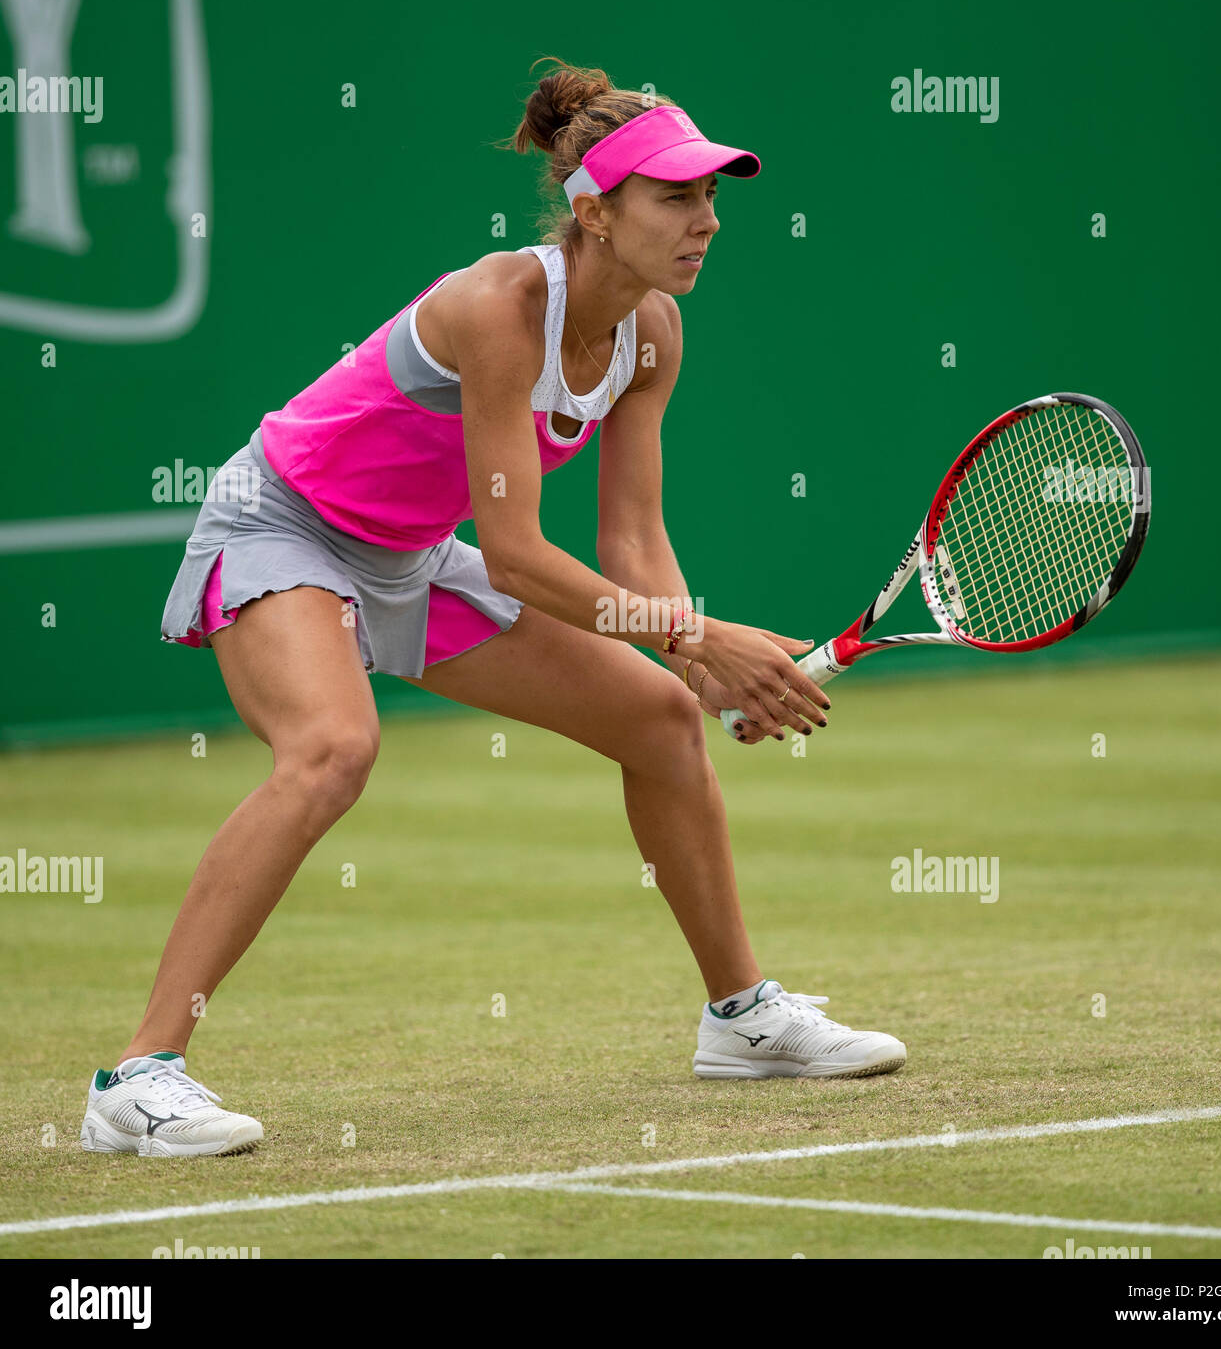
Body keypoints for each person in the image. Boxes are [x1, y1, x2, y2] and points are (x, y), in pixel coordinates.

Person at [80, 59, 906, 1159]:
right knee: (331, 749)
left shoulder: (651, 330)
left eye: (713, 196)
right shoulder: (499, 307)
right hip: (282, 523)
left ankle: (741, 1019)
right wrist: (697, 635)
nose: (705, 220)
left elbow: (629, 543)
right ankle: (138, 1076)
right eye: (676, 198)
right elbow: (516, 557)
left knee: (658, 724)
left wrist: (695, 672)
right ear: (594, 212)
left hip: (409, 557)